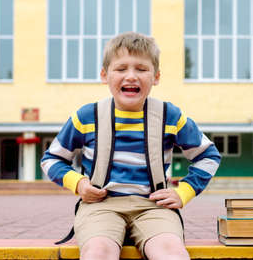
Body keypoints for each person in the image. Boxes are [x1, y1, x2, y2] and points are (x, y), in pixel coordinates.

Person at [41, 32, 221, 260]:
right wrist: (78, 183)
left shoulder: (170, 116)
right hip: (100, 206)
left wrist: (184, 192)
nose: (131, 76)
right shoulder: (87, 116)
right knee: (98, 252)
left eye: (141, 69)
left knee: (172, 253)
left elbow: (208, 155)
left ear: (156, 77)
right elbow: (51, 159)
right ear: (104, 75)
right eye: (121, 68)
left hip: (154, 207)